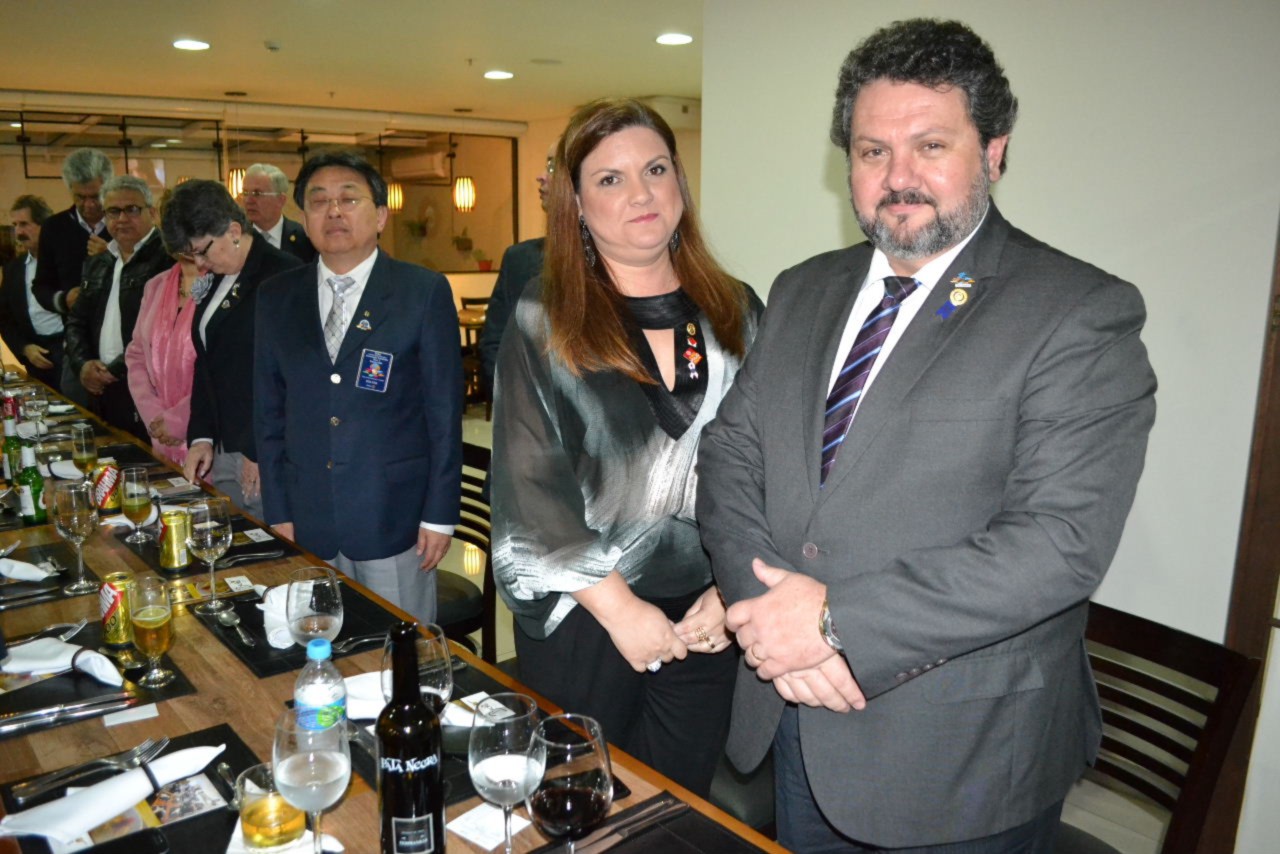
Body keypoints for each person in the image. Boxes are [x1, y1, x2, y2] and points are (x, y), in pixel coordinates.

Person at [695, 19, 1158, 852]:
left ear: (994, 152)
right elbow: (730, 454)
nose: (898, 177)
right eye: (872, 151)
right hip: (799, 717)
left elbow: (1058, 544)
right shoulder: (802, 290)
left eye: (930, 146)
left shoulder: (1078, 312)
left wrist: (832, 621)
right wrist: (763, 608)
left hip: (960, 758)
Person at [490, 98, 762, 798]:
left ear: (679, 184)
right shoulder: (545, 316)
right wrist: (622, 610)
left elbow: (770, 466)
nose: (640, 193)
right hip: (586, 614)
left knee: (677, 807)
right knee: (582, 806)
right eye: (610, 179)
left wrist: (730, 590)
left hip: (706, 619)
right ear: (576, 205)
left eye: (655, 169)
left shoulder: (736, 309)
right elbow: (529, 481)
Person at [254, 152, 462, 627]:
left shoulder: (421, 291)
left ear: (381, 216)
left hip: (395, 517)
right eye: (319, 201)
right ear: (304, 218)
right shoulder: (276, 296)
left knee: (399, 651)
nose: (334, 211)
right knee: (319, 648)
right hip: (307, 517)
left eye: (349, 199)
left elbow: (444, 413)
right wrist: (278, 509)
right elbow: (268, 413)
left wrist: (439, 515)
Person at [162, 180, 302, 516]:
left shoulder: (284, 275)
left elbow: (291, 377)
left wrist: (257, 448)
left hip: (268, 448)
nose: (199, 264)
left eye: (202, 251)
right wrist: (202, 437)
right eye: (191, 255)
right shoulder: (218, 277)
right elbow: (206, 362)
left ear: (234, 231)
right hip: (226, 445)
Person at [64, 175, 171, 440]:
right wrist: (82, 365)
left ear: (152, 212)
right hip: (100, 389)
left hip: (148, 388)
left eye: (132, 209)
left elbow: (160, 331)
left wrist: (113, 371)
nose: (122, 219)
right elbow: (76, 321)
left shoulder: (168, 260)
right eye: (113, 211)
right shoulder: (98, 262)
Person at [32, 148, 114, 407]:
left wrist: (112, 255)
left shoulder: (124, 225)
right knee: (76, 413)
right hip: (77, 345)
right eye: (80, 197)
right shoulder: (54, 228)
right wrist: (63, 299)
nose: (89, 205)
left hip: (121, 343)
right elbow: (41, 286)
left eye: (96, 196)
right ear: (70, 191)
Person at [477, 144, 555, 386]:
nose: (541, 176)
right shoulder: (519, 260)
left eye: (552, 166)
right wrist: (514, 399)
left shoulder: (623, 258)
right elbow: (495, 344)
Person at [123, 241, 201, 466]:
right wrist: (153, 415)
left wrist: (180, 419)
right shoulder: (156, 285)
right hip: (159, 431)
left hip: (209, 432)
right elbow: (137, 355)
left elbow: (225, 368)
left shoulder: (222, 284)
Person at [0, 195, 64, 388]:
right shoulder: (14, 269)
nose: (18, 232)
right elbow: (4, 318)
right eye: (15, 225)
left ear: (45, 226)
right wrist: (24, 348)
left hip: (69, 355)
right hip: (35, 357)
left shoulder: (69, 262)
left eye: (24, 224)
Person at [240, 163, 316, 263]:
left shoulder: (305, 239)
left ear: (281, 200)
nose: (248, 200)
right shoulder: (236, 237)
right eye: (245, 193)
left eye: (257, 193)